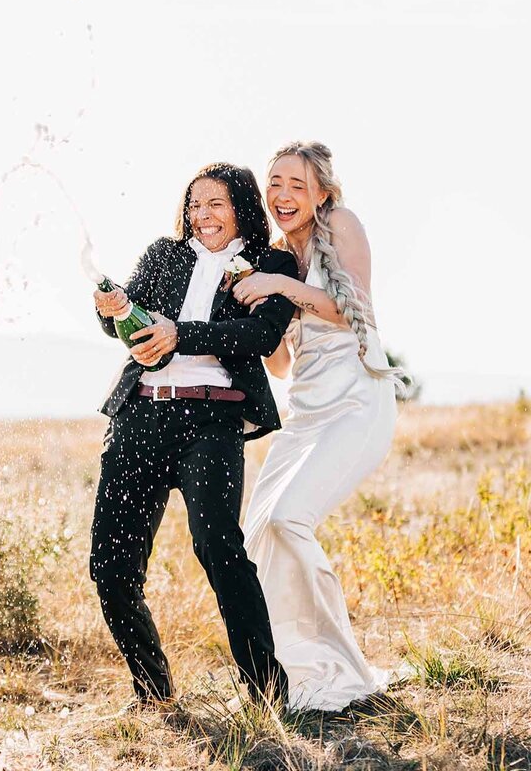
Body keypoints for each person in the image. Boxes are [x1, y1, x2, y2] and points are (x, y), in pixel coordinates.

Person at [90, 162, 297, 706]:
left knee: (218, 547)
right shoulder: (163, 254)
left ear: (241, 209)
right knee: (110, 566)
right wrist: (112, 310)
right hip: (139, 417)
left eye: (215, 205)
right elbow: (123, 321)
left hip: (213, 420)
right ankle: (154, 692)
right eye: (194, 205)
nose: (201, 216)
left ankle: (269, 694)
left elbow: (261, 332)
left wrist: (179, 335)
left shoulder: (271, 263)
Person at [230, 141, 404, 711]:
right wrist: (254, 318)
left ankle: (341, 667)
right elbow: (281, 364)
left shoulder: (341, 225)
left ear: (323, 193)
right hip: (305, 412)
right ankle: (290, 668)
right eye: (274, 182)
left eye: (297, 185)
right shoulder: (276, 258)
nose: (282, 195)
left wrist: (280, 289)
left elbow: (355, 311)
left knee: (288, 518)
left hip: (356, 399)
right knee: (257, 533)